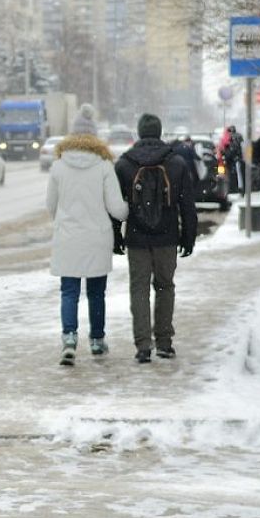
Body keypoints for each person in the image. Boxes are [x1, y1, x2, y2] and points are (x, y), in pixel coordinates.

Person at [46, 103, 128, 365]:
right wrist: (129, 212)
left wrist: (64, 220)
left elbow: (50, 205)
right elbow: (116, 208)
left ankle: (69, 339)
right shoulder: (104, 166)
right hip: (96, 238)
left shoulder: (58, 167)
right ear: (94, 137)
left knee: (69, 291)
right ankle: (96, 340)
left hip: (68, 237)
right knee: (96, 292)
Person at [112, 113, 198, 363]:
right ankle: (164, 341)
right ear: (160, 132)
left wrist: (117, 235)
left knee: (138, 289)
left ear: (139, 132)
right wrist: (188, 236)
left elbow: (116, 206)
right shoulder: (176, 162)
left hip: (137, 237)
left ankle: (142, 345)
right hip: (167, 236)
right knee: (165, 286)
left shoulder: (125, 164)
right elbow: (187, 205)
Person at [222, 125, 244, 194]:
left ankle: (237, 189)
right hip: (237, 159)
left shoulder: (232, 138)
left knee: (236, 175)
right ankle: (239, 188)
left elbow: (232, 149)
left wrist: (225, 154)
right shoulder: (238, 137)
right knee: (239, 175)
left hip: (234, 159)